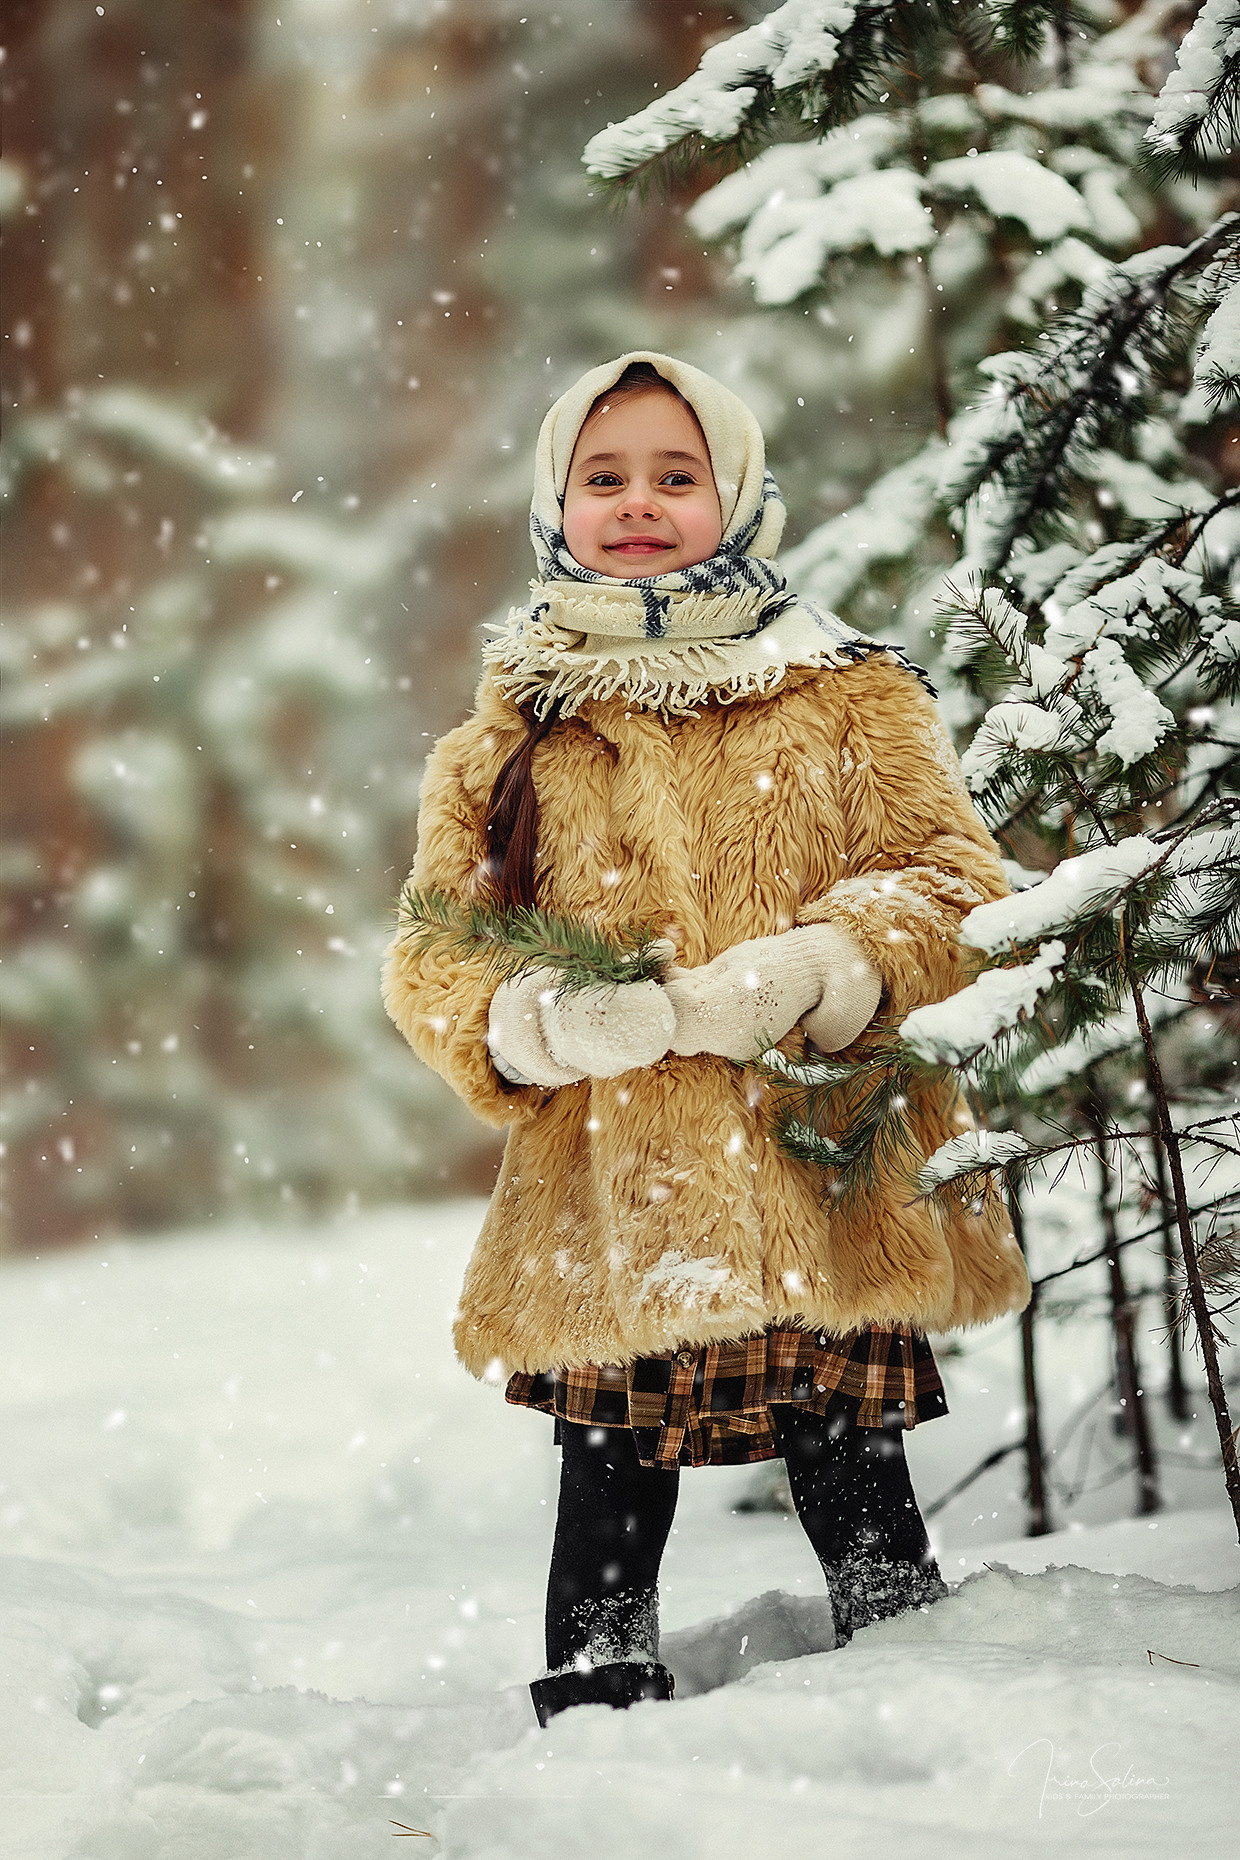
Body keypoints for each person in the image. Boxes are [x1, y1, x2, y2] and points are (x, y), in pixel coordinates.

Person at [383, 352, 1031, 1726]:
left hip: (818, 1151)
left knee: (848, 1449)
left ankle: (921, 1697)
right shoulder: (508, 738)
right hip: (612, 1184)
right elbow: (437, 956)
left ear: (735, 496)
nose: (638, 503)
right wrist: (540, 1021)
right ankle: (595, 1710)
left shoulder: (847, 693)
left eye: (676, 476)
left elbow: (956, 887)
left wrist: (819, 968)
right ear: (555, 502)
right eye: (603, 476)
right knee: (611, 1466)